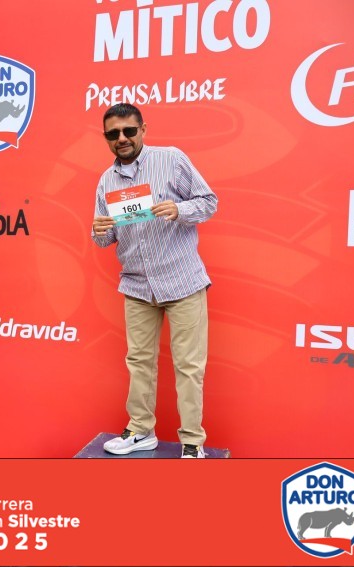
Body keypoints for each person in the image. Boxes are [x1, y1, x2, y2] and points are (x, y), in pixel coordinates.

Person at [91, 103, 218, 459]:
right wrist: (98, 230)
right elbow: (105, 237)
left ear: (143, 129)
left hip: (182, 282)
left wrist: (180, 209)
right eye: (113, 134)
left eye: (129, 131)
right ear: (106, 138)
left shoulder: (171, 159)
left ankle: (192, 442)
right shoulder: (106, 181)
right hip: (136, 286)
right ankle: (140, 431)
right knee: (139, 362)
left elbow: (209, 202)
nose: (122, 138)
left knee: (189, 366)